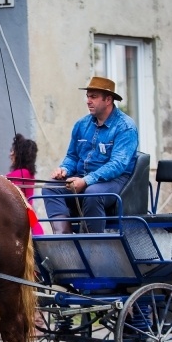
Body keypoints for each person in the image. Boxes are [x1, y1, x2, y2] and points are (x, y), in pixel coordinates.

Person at [42, 76, 138, 233]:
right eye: (87, 96)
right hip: (83, 177)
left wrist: (86, 181)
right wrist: (64, 169)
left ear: (108, 100)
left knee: (93, 192)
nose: (88, 101)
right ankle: (64, 239)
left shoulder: (125, 127)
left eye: (93, 97)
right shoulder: (81, 124)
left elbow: (118, 165)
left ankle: (93, 245)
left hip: (116, 181)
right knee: (50, 187)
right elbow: (72, 156)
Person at [0, 135, 44, 235]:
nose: (11, 154)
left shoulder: (22, 173)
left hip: (26, 229)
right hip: (29, 226)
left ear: (20, 154)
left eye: (13, 151)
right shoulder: (27, 173)